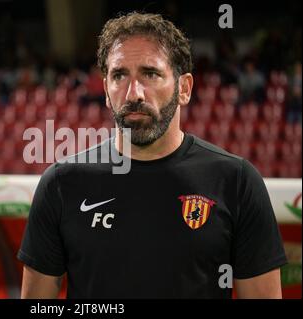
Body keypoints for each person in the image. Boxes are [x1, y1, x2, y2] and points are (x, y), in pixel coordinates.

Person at [17, 12, 287, 299]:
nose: (134, 93)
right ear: (106, 91)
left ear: (184, 89)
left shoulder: (236, 181)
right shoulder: (61, 184)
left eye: (150, 73)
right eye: (119, 75)